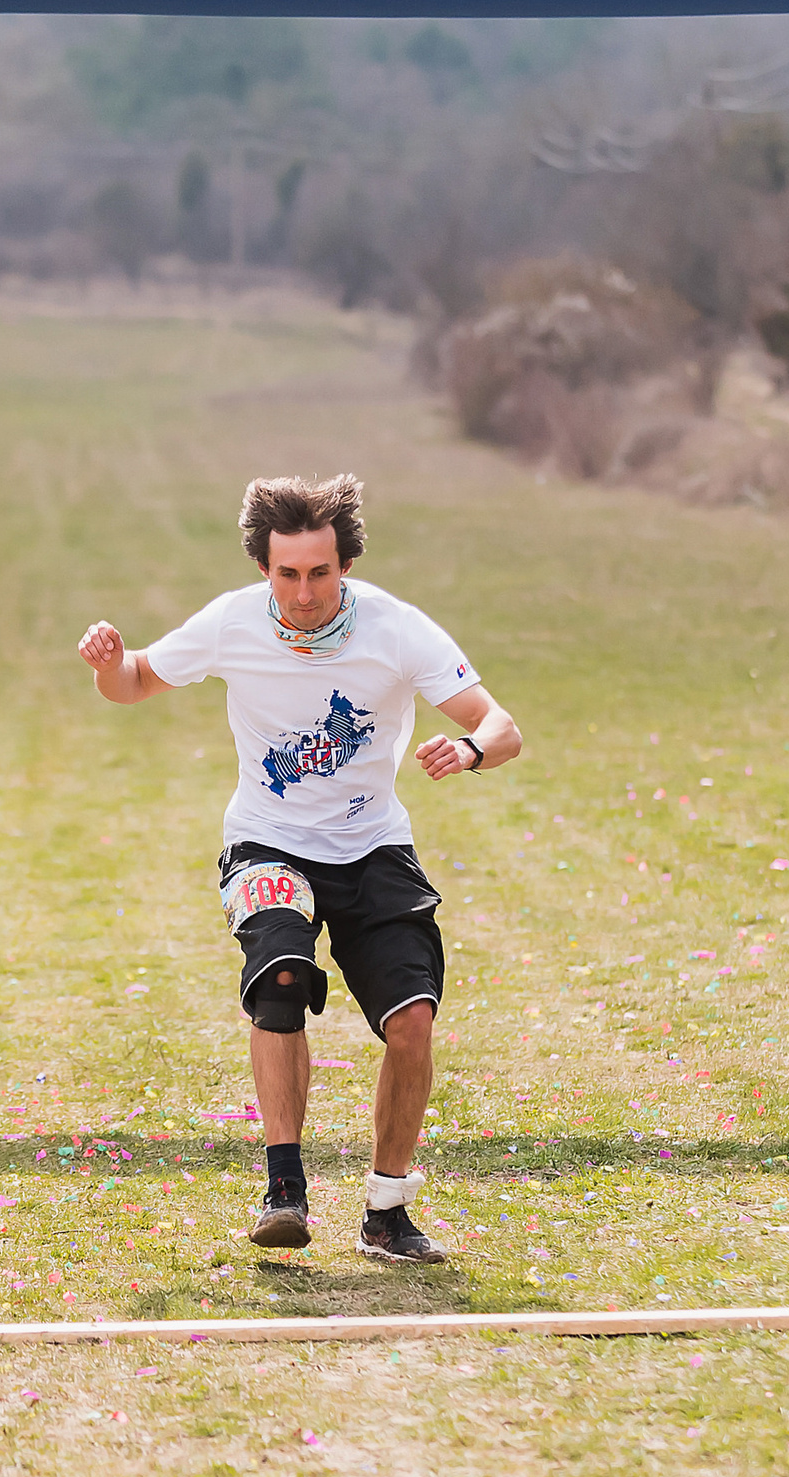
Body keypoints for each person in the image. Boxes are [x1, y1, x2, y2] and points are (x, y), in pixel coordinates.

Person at [76, 474, 520, 1261]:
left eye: (320, 572)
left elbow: (500, 722)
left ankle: (388, 1211)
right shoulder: (232, 622)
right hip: (268, 842)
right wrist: (109, 663)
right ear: (263, 568)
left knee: (413, 1021)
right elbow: (136, 680)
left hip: (372, 845)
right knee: (280, 979)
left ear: (343, 564)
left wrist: (472, 748)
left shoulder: (396, 628)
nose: (304, 591)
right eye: (288, 573)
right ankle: (285, 1190)